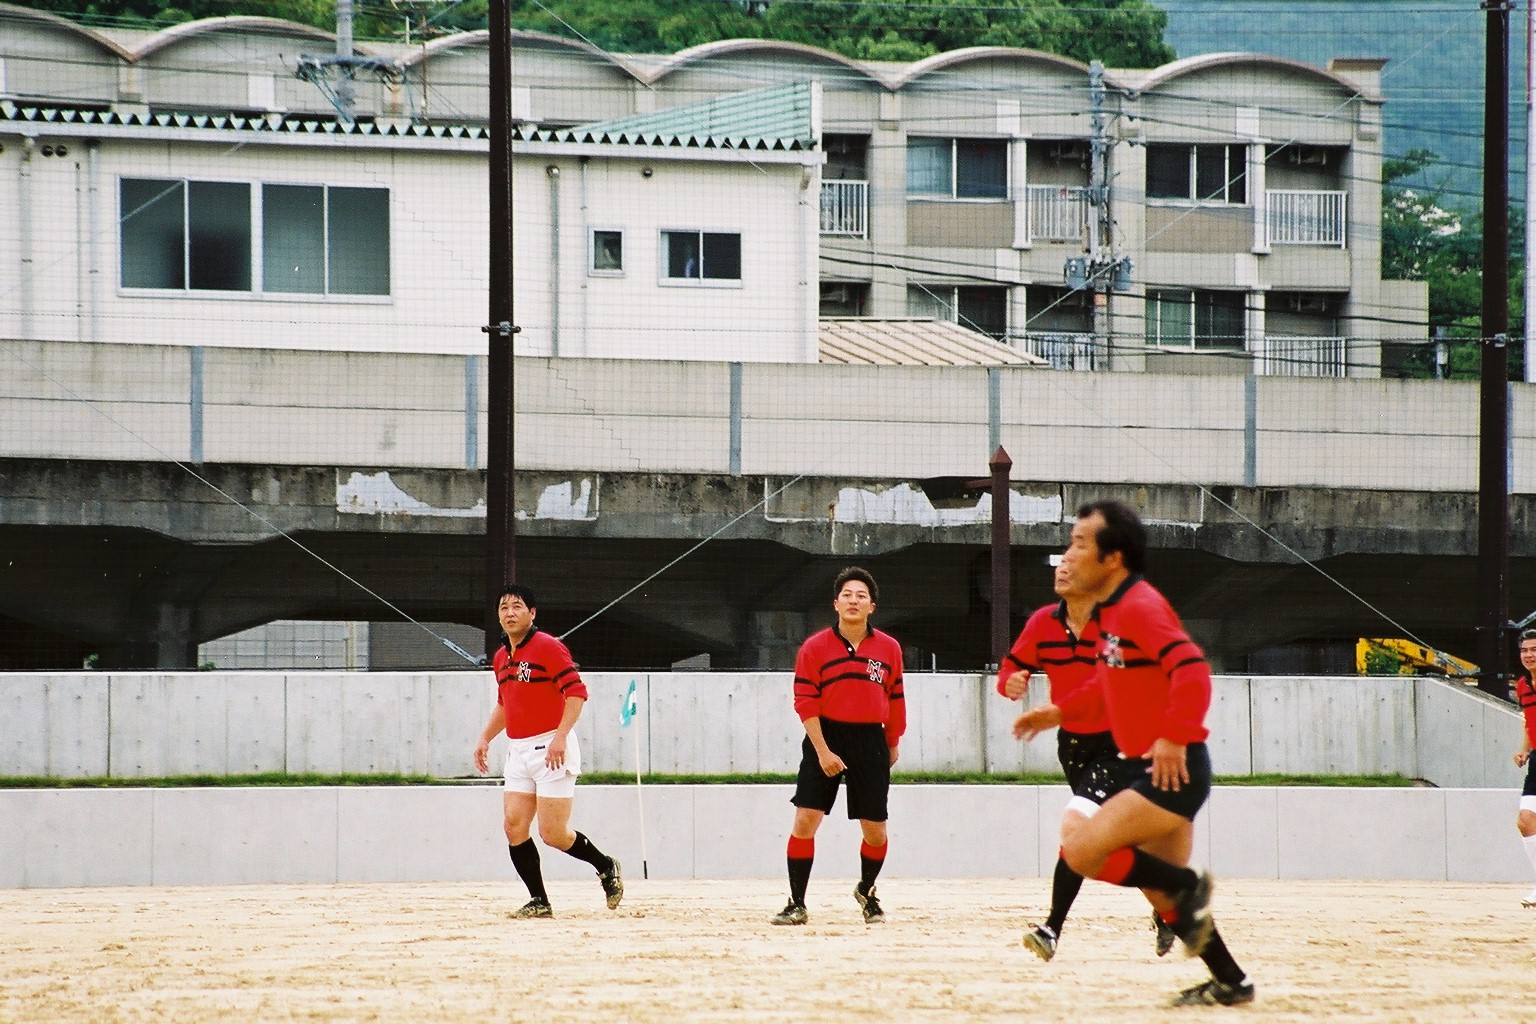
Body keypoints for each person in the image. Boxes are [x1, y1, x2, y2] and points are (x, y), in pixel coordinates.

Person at [1012, 500, 1254, 1007]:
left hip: (1169, 770)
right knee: (1163, 897)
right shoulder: (1113, 611)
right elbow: (1109, 683)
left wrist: (1173, 735)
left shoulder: (1138, 606)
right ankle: (1231, 981)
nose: (1068, 555)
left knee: (1080, 850)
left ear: (1113, 558)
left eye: (1080, 544)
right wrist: (1056, 714)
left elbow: (1192, 670)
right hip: (1155, 768)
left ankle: (1187, 885)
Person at [998, 560, 1176, 962]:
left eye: (1073, 565)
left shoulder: (1118, 624)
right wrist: (1011, 680)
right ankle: (1171, 905)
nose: (1062, 570)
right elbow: (1013, 664)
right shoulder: (1043, 622)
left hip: (1122, 742)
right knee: (1116, 838)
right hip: (1073, 745)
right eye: (1059, 565)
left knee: (1078, 830)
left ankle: (1051, 928)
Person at [473, 584, 624, 918]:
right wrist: (485, 737)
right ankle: (539, 901)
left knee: (553, 833)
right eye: (503, 607)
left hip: (551, 747)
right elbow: (505, 702)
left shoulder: (549, 647)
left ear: (533, 613)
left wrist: (560, 736)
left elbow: (576, 693)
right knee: (514, 825)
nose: (509, 613)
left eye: (517, 606)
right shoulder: (501, 656)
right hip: (519, 750)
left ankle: (605, 865)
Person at [771, 566, 906, 926]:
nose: (853, 600)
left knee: (875, 830)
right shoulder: (815, 647)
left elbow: (895, 698)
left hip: (870, 740)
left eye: (861, 595)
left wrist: (892, 741)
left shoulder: (889, 648)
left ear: (871, 606)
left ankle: (867, 890)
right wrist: (823, 751)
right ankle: (796, 902)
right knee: (806, 820)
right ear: (835, 603)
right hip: (825, 737)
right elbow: (804, 701)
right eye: (847, 594)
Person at [1511, 629, 1536, 907]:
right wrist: (1524, 750)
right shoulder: (1521, 685)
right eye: (1524, 650)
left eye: (1534, 649)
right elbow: (1530, 722)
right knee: (1525, 820)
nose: (1529, 655)